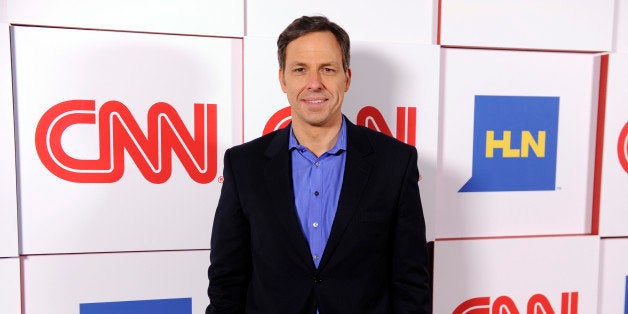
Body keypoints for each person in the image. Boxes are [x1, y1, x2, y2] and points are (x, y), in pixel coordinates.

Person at [207, 15, 431, 314]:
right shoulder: (244, 164)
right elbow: (227, 280)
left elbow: (411, 282)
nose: (315, 84)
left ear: (346, 78)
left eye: (327, 69)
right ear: (282, 79)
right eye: (300, 70)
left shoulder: (395, 162)